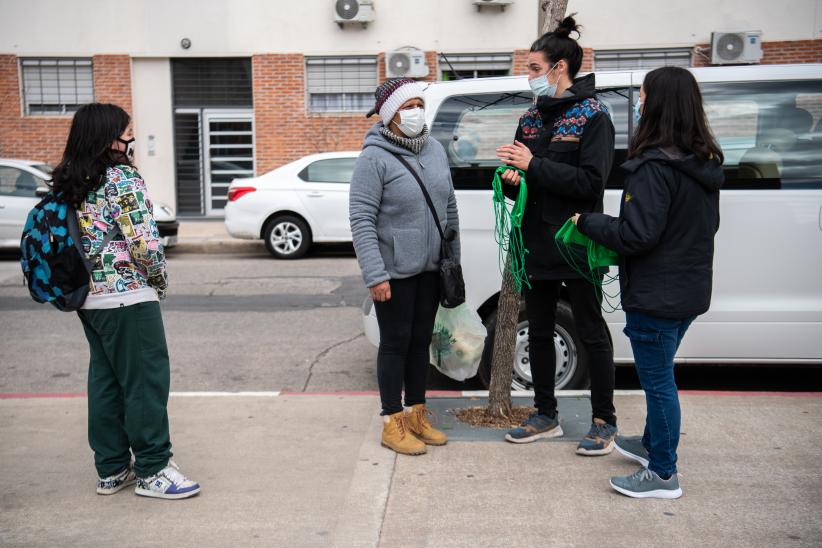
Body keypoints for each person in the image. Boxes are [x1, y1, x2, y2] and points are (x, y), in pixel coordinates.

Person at [574, 66, 724, 499]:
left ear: (657, 104)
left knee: (659, 386)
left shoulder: (652, 167)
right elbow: (702, 228)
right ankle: (653, 444)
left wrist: (590, 221)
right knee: (662, 378)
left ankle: (662, 473)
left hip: (656, 295)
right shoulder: (705, 163)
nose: (638, 102)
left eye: (642, 95)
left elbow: (636, 235)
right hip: (689, 291)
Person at [51, 103, 200, 499]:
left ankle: (112, 468)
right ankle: (154, 469)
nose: (131, 138)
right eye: (126, 131)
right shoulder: (122, 178)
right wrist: (160, 283)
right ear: (108, 138)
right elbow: (146, 245)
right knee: (145, 382)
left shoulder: (71, 179)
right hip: (128, 297)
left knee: (106, 381)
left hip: (89, 298)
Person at [495, 15, 618, 455]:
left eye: (533, 68)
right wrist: (513, 178)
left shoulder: (594, 116)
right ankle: (545, 414)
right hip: (534, 241)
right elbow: (526, 178)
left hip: (577, 239)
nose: (527, 76)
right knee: (540, 329)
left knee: (589, 329)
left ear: (559, 67)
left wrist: (533, 166)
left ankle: (604, 420)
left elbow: (590, 184)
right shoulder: (530, 119)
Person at [350, 78, 461, 456]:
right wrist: (374, 274)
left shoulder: (433, 149)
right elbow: (362, 219)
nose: (416, 111)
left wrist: (453, 258)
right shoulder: (373, 157)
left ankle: (416, 413)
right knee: (394, 344)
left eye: (418, 104)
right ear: (390, 115)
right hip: (393, 272)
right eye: (407, 106)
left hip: (432, 267)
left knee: (420, 344)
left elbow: (449, 207)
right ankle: (391, 421)